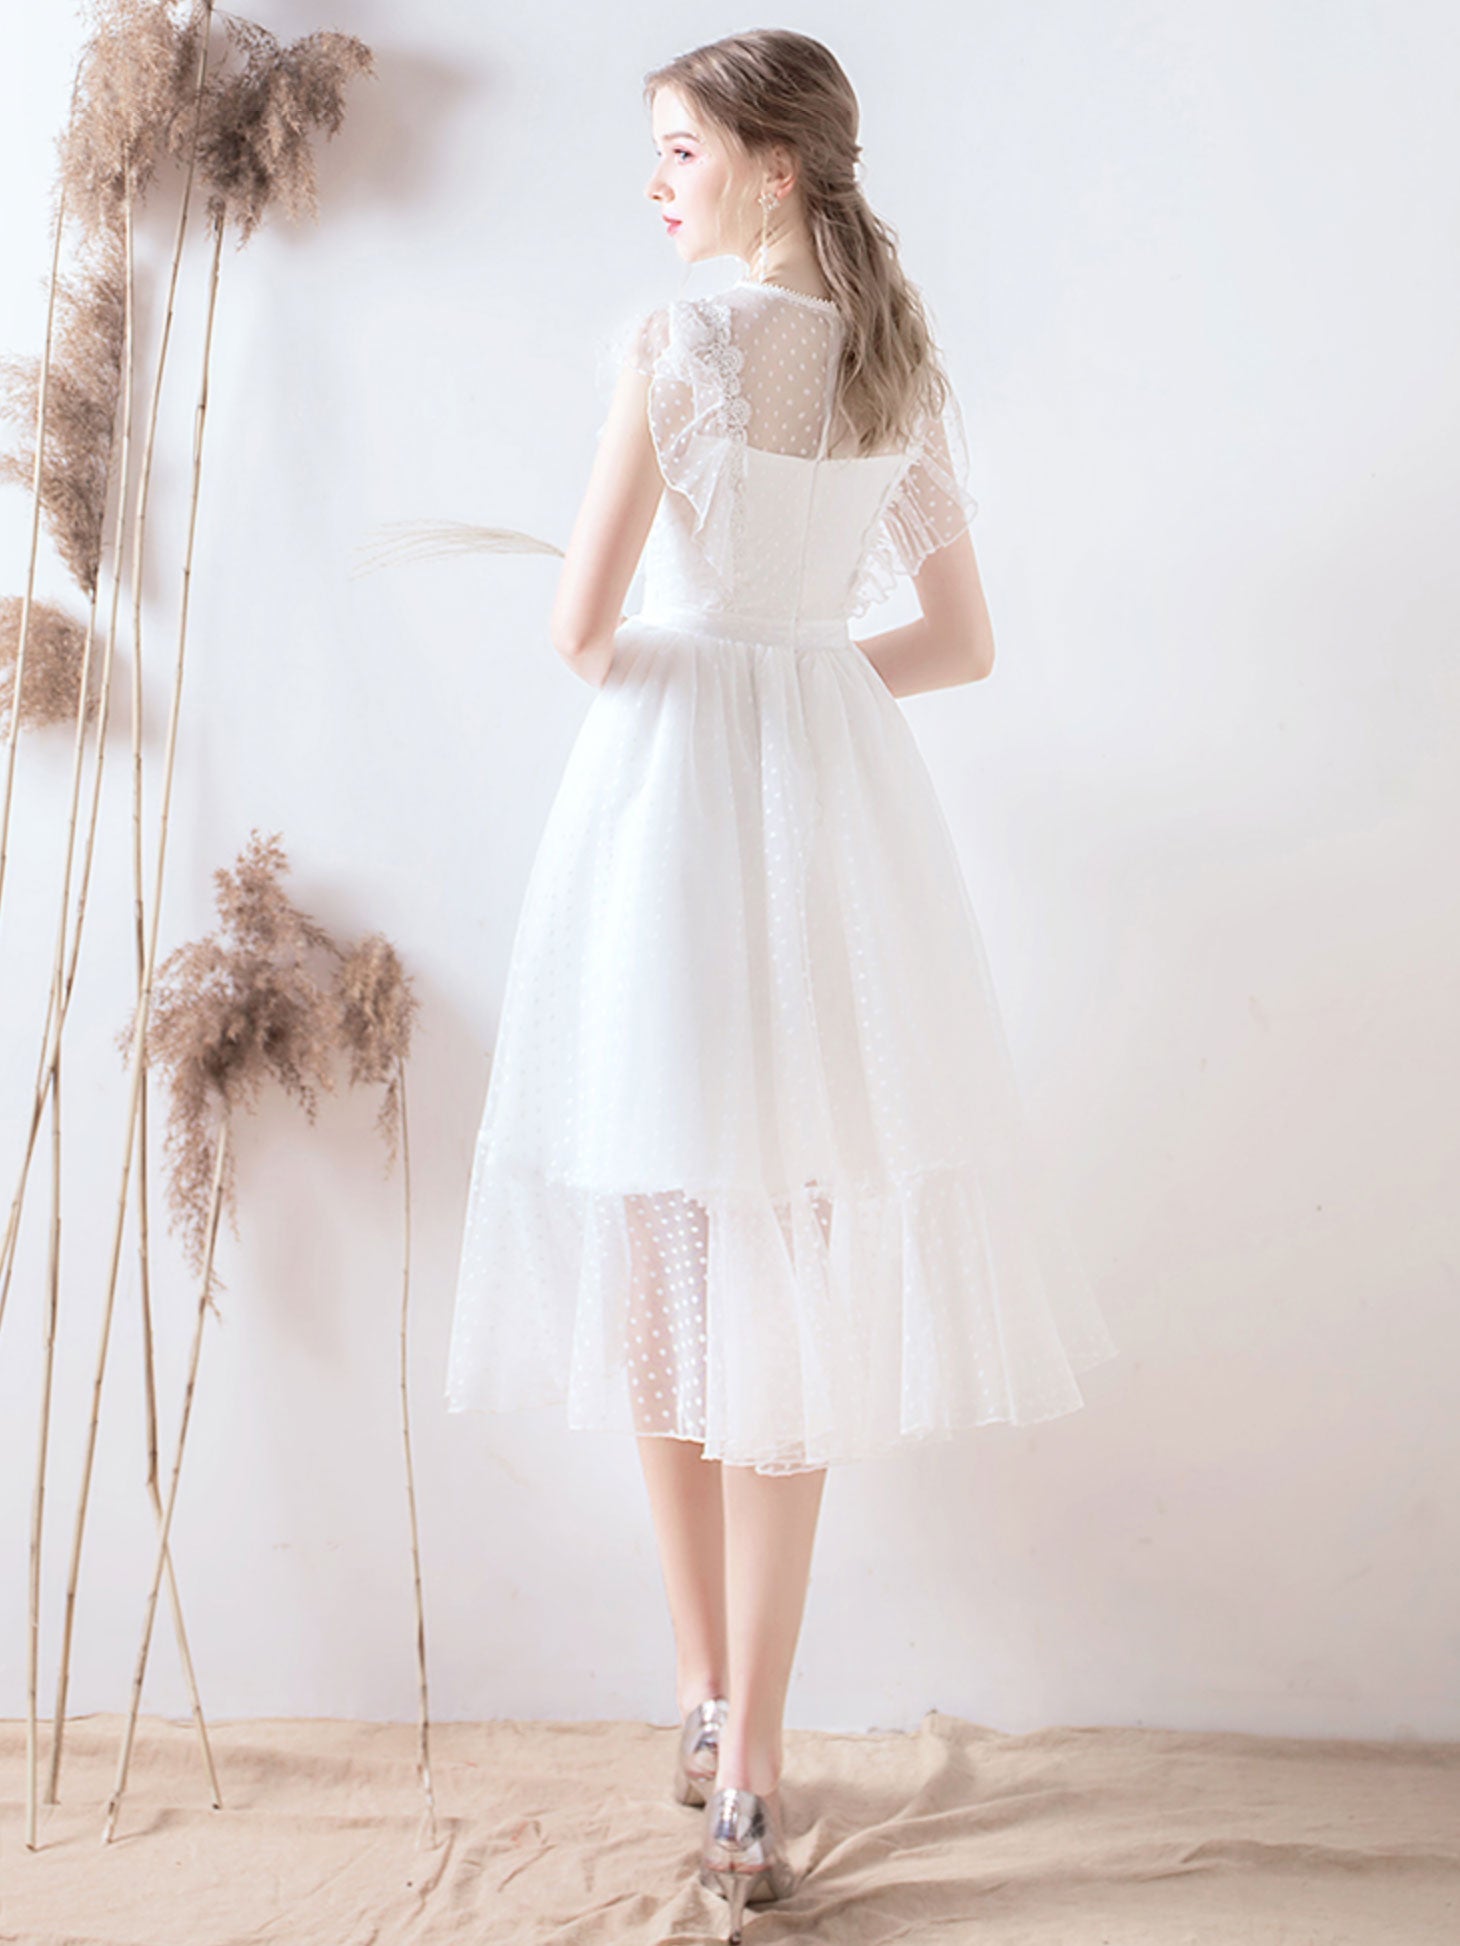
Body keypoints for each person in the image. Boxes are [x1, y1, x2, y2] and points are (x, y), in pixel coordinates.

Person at [445, 30, 1118, 1938]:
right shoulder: (891, 360)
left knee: (671, 1241)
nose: (655, 183)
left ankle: (706, 1695)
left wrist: (711, 677)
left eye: (681, 150)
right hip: (830, 840)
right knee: (781, 1271)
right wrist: (804, 685)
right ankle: (741, 1747)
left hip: (666, 838)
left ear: (776, 168)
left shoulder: (676, 347)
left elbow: (579, 631)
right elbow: (961, 642)